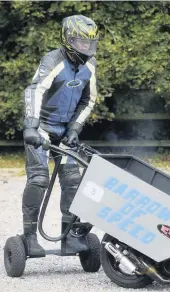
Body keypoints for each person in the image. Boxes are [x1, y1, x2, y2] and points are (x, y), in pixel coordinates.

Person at [22, 15, 99, 257]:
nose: (86, 47)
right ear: (68, 39)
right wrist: (31, 126)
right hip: (42, 128)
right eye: (81, 42)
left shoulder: (90, 65)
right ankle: (29, 237)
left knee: (73, 180)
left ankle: (70, 237)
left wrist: (75, 128)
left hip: (66, 132)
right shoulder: (53, 60)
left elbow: (89, 99)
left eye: (90, 43)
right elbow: (35, 90)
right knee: (39, 179)